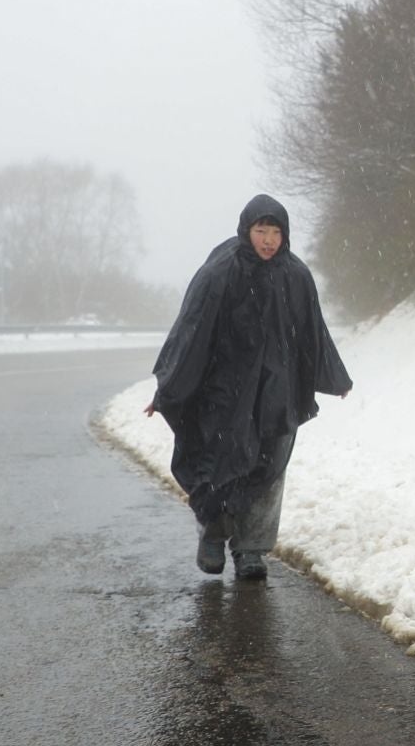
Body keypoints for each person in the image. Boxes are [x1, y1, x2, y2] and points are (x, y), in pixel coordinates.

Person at [146, 194, 351, 582]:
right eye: (261, 231)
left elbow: (313, 332)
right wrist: (168, 389)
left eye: (275, 232)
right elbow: (191, 332)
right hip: (225, 392)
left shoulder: (296, 276)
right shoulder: (219, 273)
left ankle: (251, 550)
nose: (269, 240)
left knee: (268, 469)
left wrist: (334, 377)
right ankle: (212, 535)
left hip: (278, 390)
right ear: (247, 230)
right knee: (221, 466)